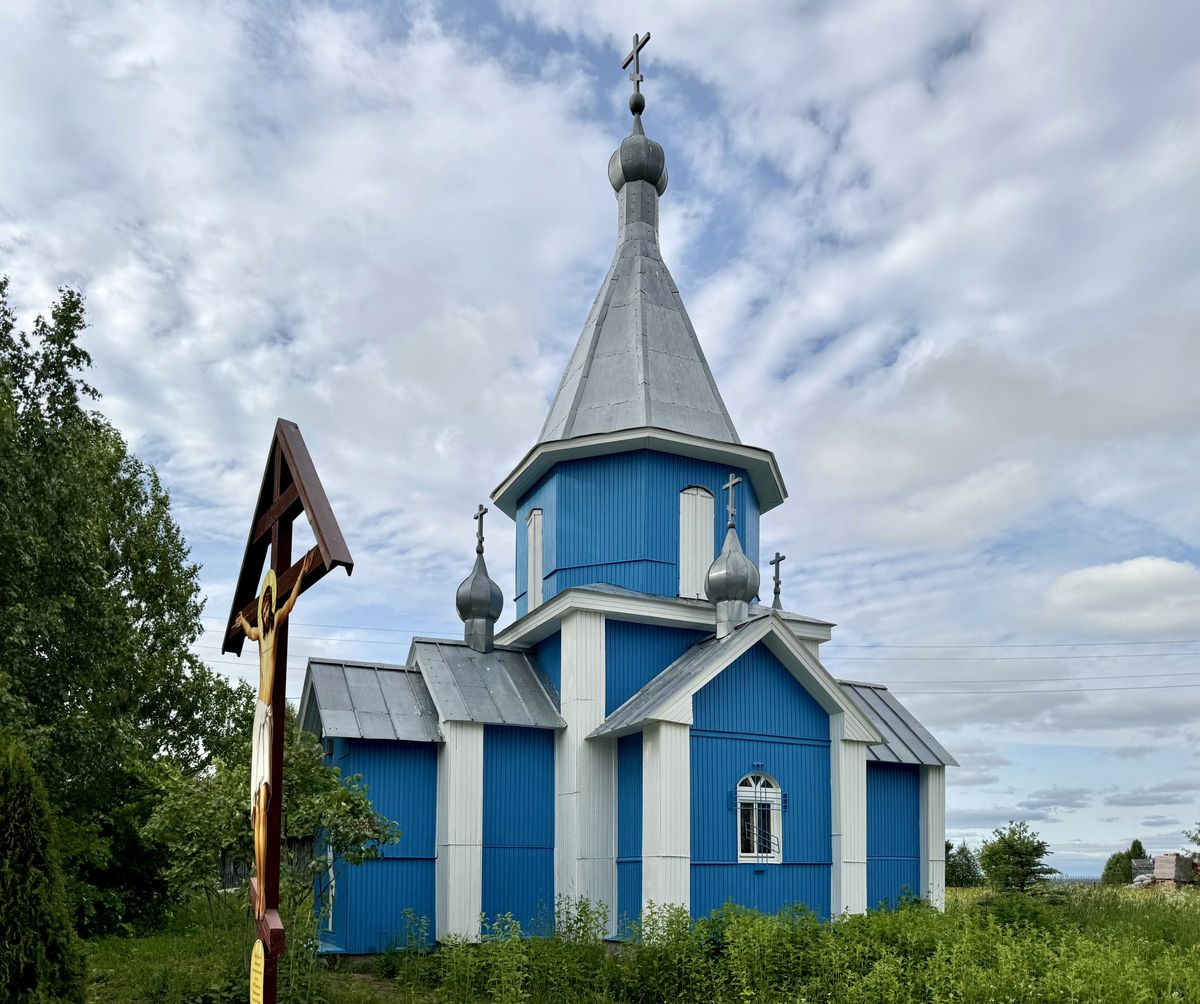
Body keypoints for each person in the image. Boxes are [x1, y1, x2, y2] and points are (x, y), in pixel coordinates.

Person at [235, 550, 313, 919]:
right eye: (264, 603)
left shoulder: (277, 625)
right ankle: (259, 880)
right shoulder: (259, 633)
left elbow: (290, 605)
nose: (267, 608)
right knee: (255, 809)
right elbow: (246, 628)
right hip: (257, 716)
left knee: (264, 800)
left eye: (268, 601)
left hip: (268, 712)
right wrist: (240, 619)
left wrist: (300, 577)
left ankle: (265, 887)